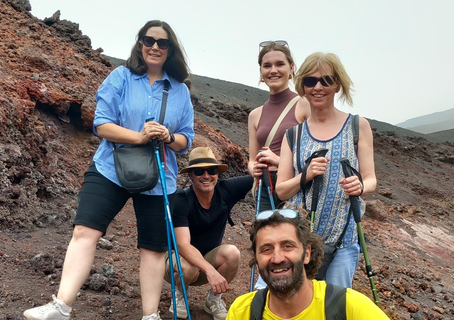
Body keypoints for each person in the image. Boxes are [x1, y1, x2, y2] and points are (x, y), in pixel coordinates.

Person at [23, 20, 194, 320]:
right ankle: (61, 306)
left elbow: (186, 139)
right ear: (140, 43)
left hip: (159, 177)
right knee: (85, 231)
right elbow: (101, 123)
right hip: (110, 168)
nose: (154, 46)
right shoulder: (121, 77)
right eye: (148, 40)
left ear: (170, 49)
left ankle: (150, 316)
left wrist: (168, 136)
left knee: (153, 250)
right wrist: (139, 137)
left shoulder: (180, 91)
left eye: (162, 43)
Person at [276, 52, 377, 288]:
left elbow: (371, 179)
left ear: (338, 85)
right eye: (310, 81)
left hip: (344, 237)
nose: (318, 87)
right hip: (302, 237)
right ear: (302, 86)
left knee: (334, 304)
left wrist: (361, 186)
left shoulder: (358, 126)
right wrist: (306, 175)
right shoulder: (293, 135)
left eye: (326, 81)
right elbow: (281, 191)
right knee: (301, 300)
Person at [226, 210, 390, 319]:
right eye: (266, 249)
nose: (276, 258)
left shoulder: (350, 308)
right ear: (256, 258)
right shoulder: (243, 312)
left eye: (287, 246)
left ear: (306, 254)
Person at [247, 40, 310, 290]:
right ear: (261, 72)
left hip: (296, 190)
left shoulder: (304, 104)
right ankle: (266, 301)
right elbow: (252, 157)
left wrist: (282, 161)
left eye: (280, 64)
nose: (273, 70)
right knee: (268, 246)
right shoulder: (255, 114)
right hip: (265, 190)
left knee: (296, 248)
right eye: (267, 65)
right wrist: (253, 166)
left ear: (292, 68)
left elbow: (315, 153)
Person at [165, 147, 253, 320]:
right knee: (188, 266)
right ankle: (180, 294)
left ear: (217, 173)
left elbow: (259, 177)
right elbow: (182, 245)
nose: (206, 176)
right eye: (199, 171)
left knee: (233, 253)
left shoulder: (225, 190)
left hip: (207, 262)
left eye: (211, 170)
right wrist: (210, 270)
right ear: (190, 175)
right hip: (178, 263)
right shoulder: (181, 199)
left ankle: (213, 300)